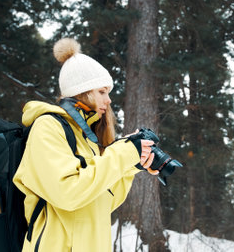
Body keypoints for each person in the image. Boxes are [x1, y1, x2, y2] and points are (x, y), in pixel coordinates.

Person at [13, 38, 156, 252]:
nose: (108, 100)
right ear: (82, 91)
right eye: (101, 92)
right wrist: (122, 154)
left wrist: (130, 166)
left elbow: (102, 201)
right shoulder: (48, 127)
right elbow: (68, 193)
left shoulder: (86, 137)